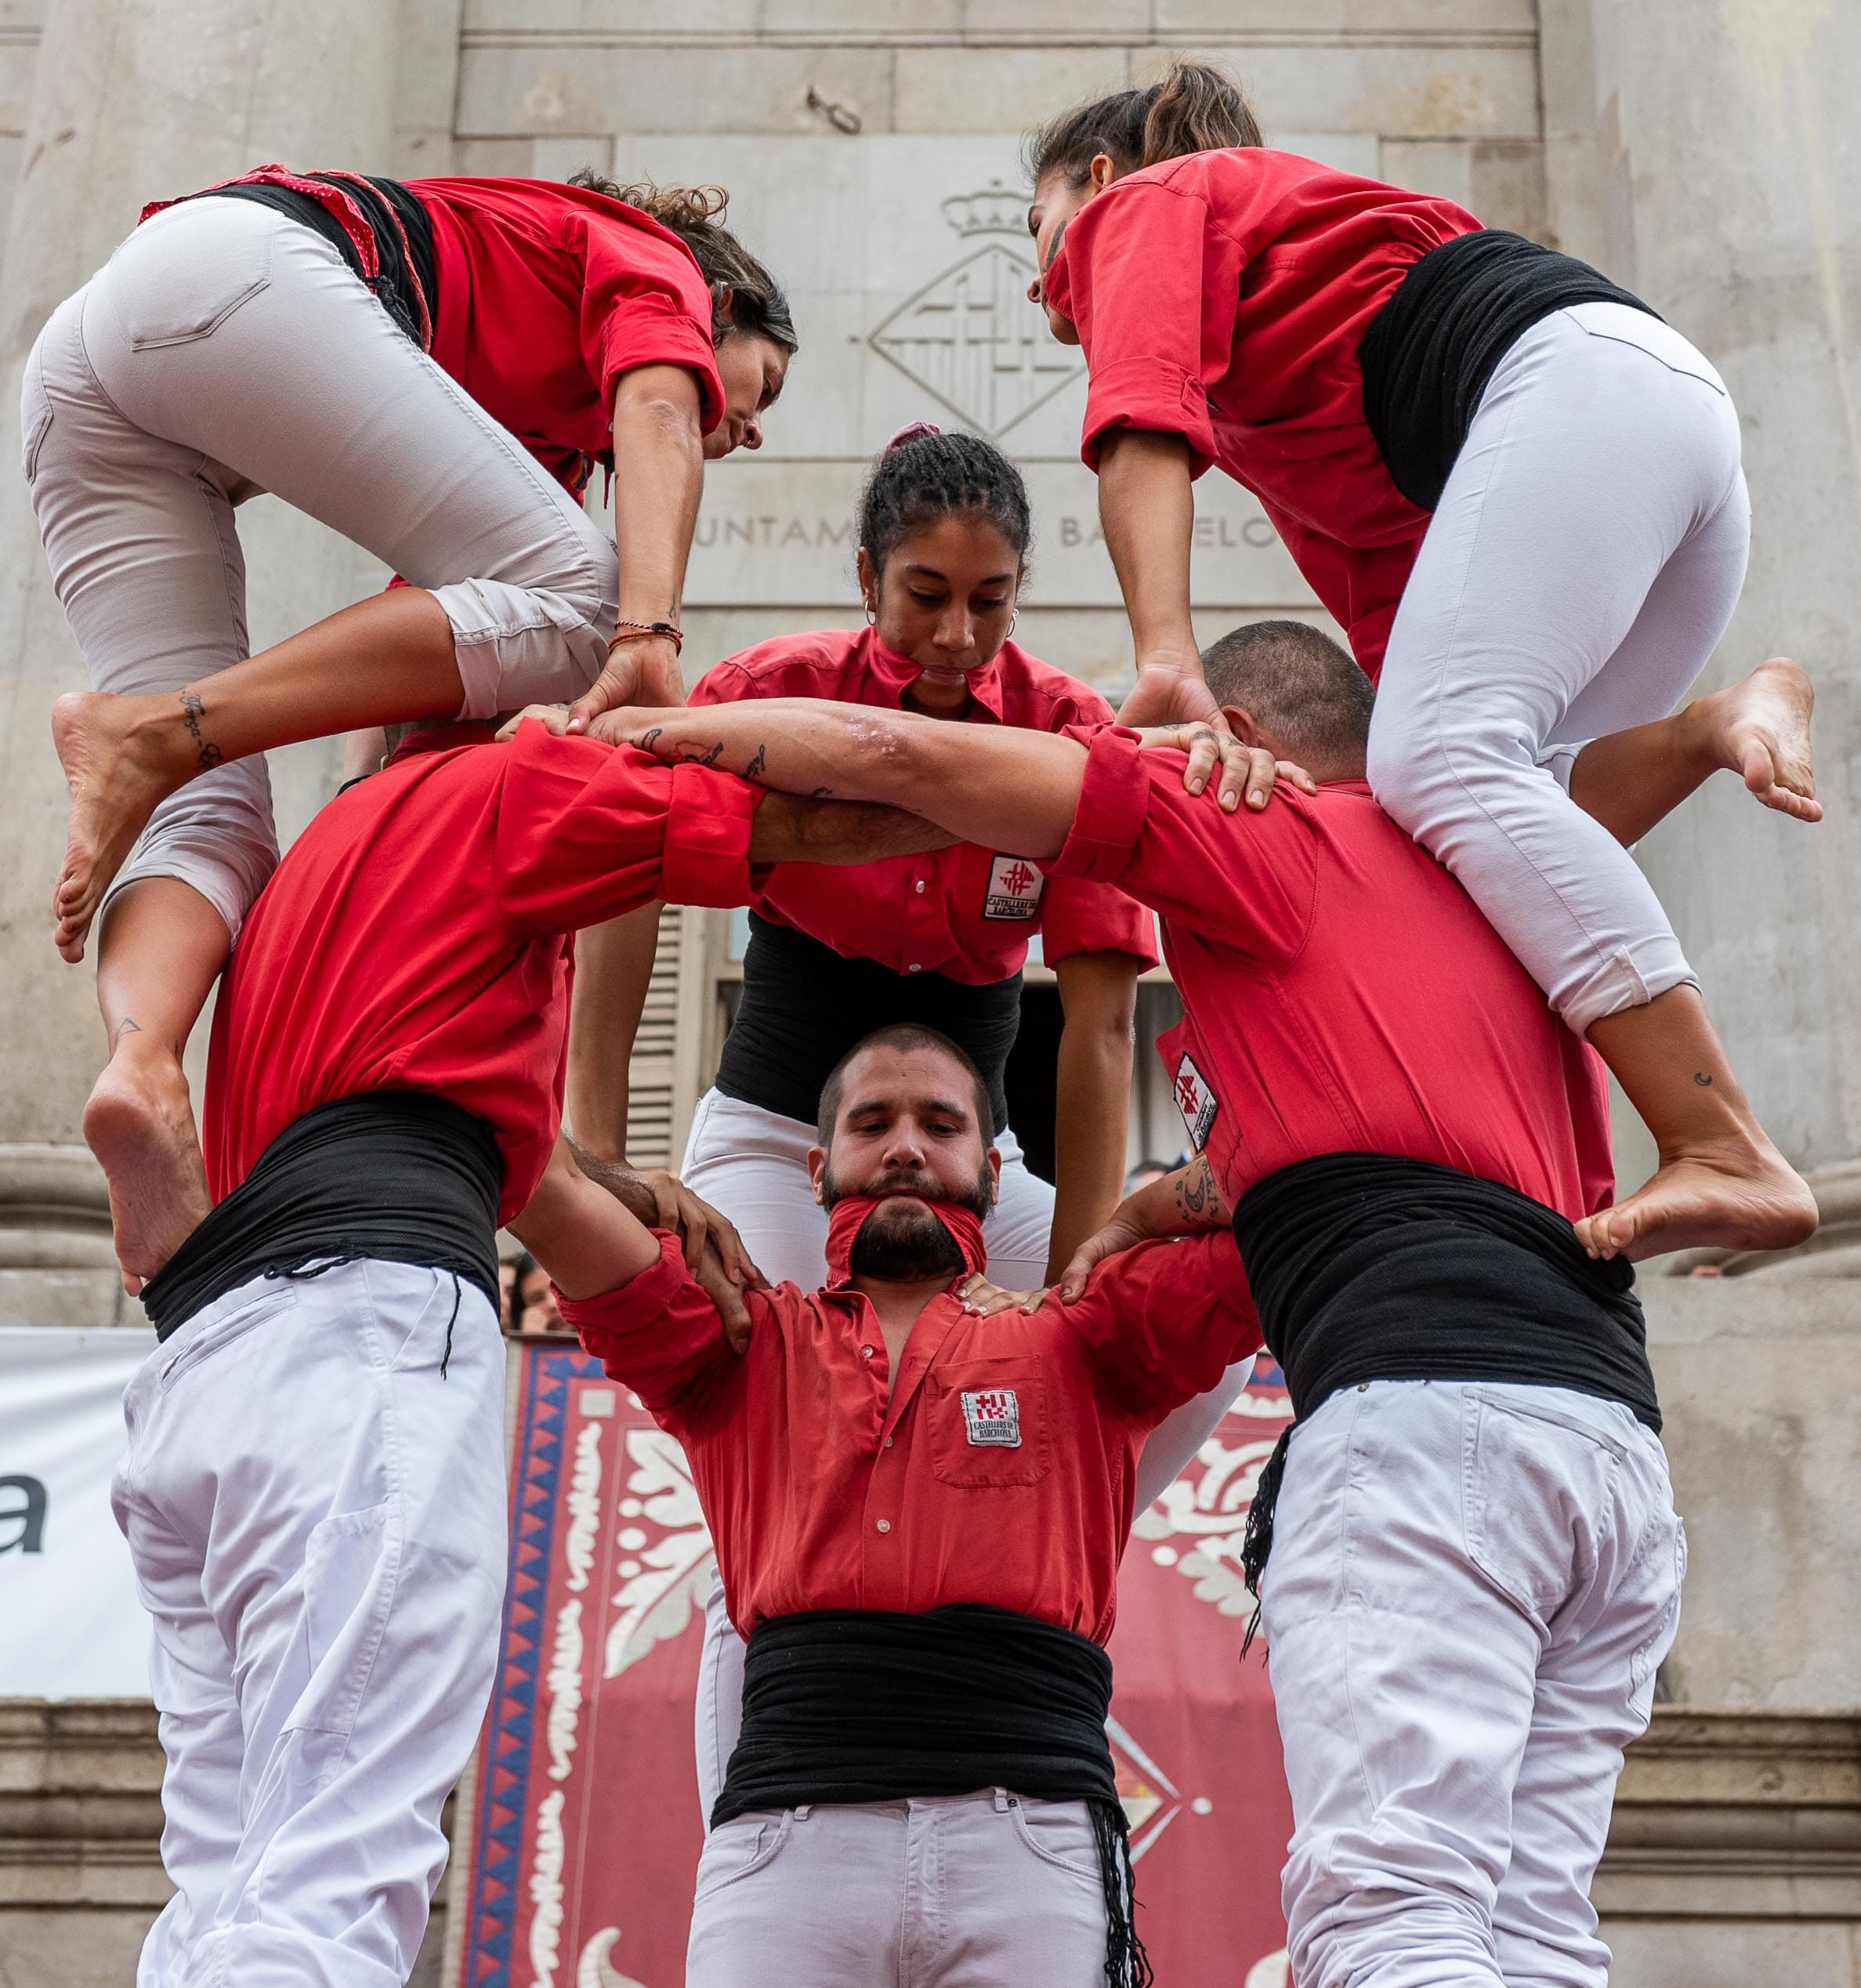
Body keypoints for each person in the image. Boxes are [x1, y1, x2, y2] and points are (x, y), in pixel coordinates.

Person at [577, 625, 1821, 1984]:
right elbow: (1578, 811)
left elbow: (899, 750)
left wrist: (619, 746)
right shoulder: (1498, 868)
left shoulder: (1260, 825)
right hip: (1610, 1453)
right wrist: (1714, 723)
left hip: (1430, 1412)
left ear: (1240, 740)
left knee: (1394, 1916)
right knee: (1528, 1933)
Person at [108, 704, 941, 1988]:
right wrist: (1048, 805)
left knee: (227, 1881)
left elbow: (462, 1107)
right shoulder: (514, 785)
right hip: (365, 1313)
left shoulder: (323, 852)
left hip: (212, 1348)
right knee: (327, 1878)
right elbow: (822, 816)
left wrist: (605, 1172)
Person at [1019, 60, 1819, 1259]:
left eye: (1035, 237)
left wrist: (1166, 654)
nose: (1043, 288)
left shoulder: (1145, 202)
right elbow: (1391, 619)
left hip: (1574, 388)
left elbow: (1138, 419)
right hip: (1654, 432)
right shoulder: (1284, 376)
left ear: (1090, 183)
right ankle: (1716, 722)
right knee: (1465, 796)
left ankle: (1722, 1145)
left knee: (1442, 760)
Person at [566, 422, 1239, 1812]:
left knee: (1204, 1352)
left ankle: (1019, 1516)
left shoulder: (1067, 731)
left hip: (968, 1156)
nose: (955, 633)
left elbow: (1102, 1018)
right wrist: (600, 1135)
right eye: (924, 595)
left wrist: (1066, 1308)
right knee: (765, 1486)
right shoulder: (776, 691)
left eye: (988, 601)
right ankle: (747, 1835)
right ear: (869, 572)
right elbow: (617, 872)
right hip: (775, 1130)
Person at [32, 166, 793, 1284]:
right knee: (590, 606)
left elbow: (432, 677)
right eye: (761, 383)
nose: (756, 428)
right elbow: (660, 402)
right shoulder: (652, 259)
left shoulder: (527, 474)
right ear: (716, 308)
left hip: (93, 382)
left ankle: (141, 1064)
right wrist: (649, 631)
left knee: (217, 826)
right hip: (226, 275)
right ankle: (159, 732)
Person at [517, 1021, 1262, 1988]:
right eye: (874, 1122)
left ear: (993, 1171)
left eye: (938, 1123)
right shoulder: (736, 1337)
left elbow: (1303, 1181)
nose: (906, 1145)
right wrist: (630, 1183)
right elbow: (526, 1174)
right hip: (785, 1857)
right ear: (819, 1167)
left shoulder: (1092, 1334)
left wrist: (1135, 1216)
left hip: (1034, 1848)